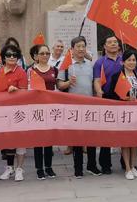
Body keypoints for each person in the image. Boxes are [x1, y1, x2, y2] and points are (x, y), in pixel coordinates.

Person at [57, 36, 102, 178]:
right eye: (78, 46)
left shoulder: (91, 65)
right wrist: (68, 82)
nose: (81, 49)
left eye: (83, 46)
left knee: (91, 139)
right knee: (76, 139)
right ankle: (78, 168)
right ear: (72, 49)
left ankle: (92, 165)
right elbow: (59, 85)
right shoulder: (66, 65)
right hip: (73, 108)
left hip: (89, 106)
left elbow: (95, 83)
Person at [105, 49, 137, 180]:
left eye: (134, 60)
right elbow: (110, 94)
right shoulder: (117, 76)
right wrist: (124, 99)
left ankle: (133, 165)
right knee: (126, 141)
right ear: (123, 62)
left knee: (136, 140)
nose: (132, 62)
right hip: (123, 113)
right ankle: (127, 168)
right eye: (129, 60)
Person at [0, 44, 28, 181]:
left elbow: (25, 92)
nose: (12, 57)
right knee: (8, 140)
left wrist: (17, 90)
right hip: (4, 111)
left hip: (18, 111)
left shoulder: (21, 72)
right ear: (3, 57)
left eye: (15, 55)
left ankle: (19, 169)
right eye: (9, 55)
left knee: (20, 140)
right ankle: (9, 168)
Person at [93, 34, 123, 174]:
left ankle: (126, 162)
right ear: (104, 46)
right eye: (110, 42)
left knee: (125, 132)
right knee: (107, 133)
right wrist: (99, 92)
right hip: (107, 98)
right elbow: (97, 80)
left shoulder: (124, 60)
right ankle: (105, 164)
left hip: (123, 99)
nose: (113, 44)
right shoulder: (100, 62)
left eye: (115, 42)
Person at [29, 44, 57, 180]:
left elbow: (59, 86)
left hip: (50, 108)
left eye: (47, 53)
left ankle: (49, 167)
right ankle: (39, 168)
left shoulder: (54, 70)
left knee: (49, 138)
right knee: (38, 139)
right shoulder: (30, 71)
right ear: (36, 56)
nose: (45, 56)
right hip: (37, 109)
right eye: (42, 53)